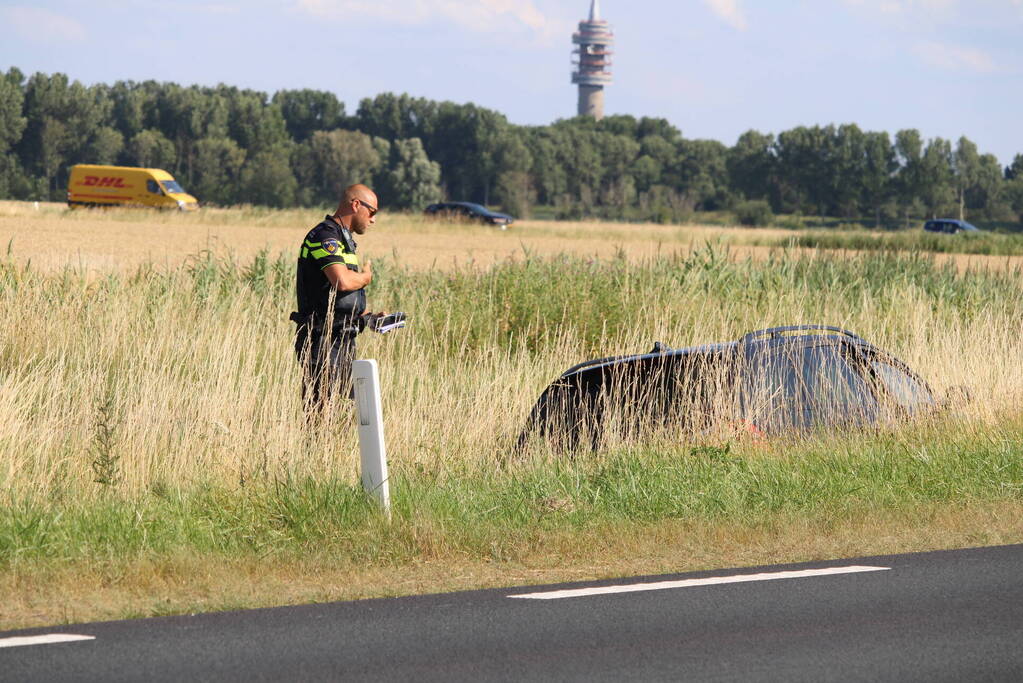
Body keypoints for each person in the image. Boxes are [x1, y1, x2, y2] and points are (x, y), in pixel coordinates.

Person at [291, 184, 379, 412]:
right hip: (322, 339)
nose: (373, 220)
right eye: (372, 212)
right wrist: (366, 278)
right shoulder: (324, 236)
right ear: (356, 204)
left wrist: (367, 317)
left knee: (345, 411)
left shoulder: (343, 240)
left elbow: (337, 297)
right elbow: (342, 281)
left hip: (342, 338)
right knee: (322, 413)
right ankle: (317, 449)